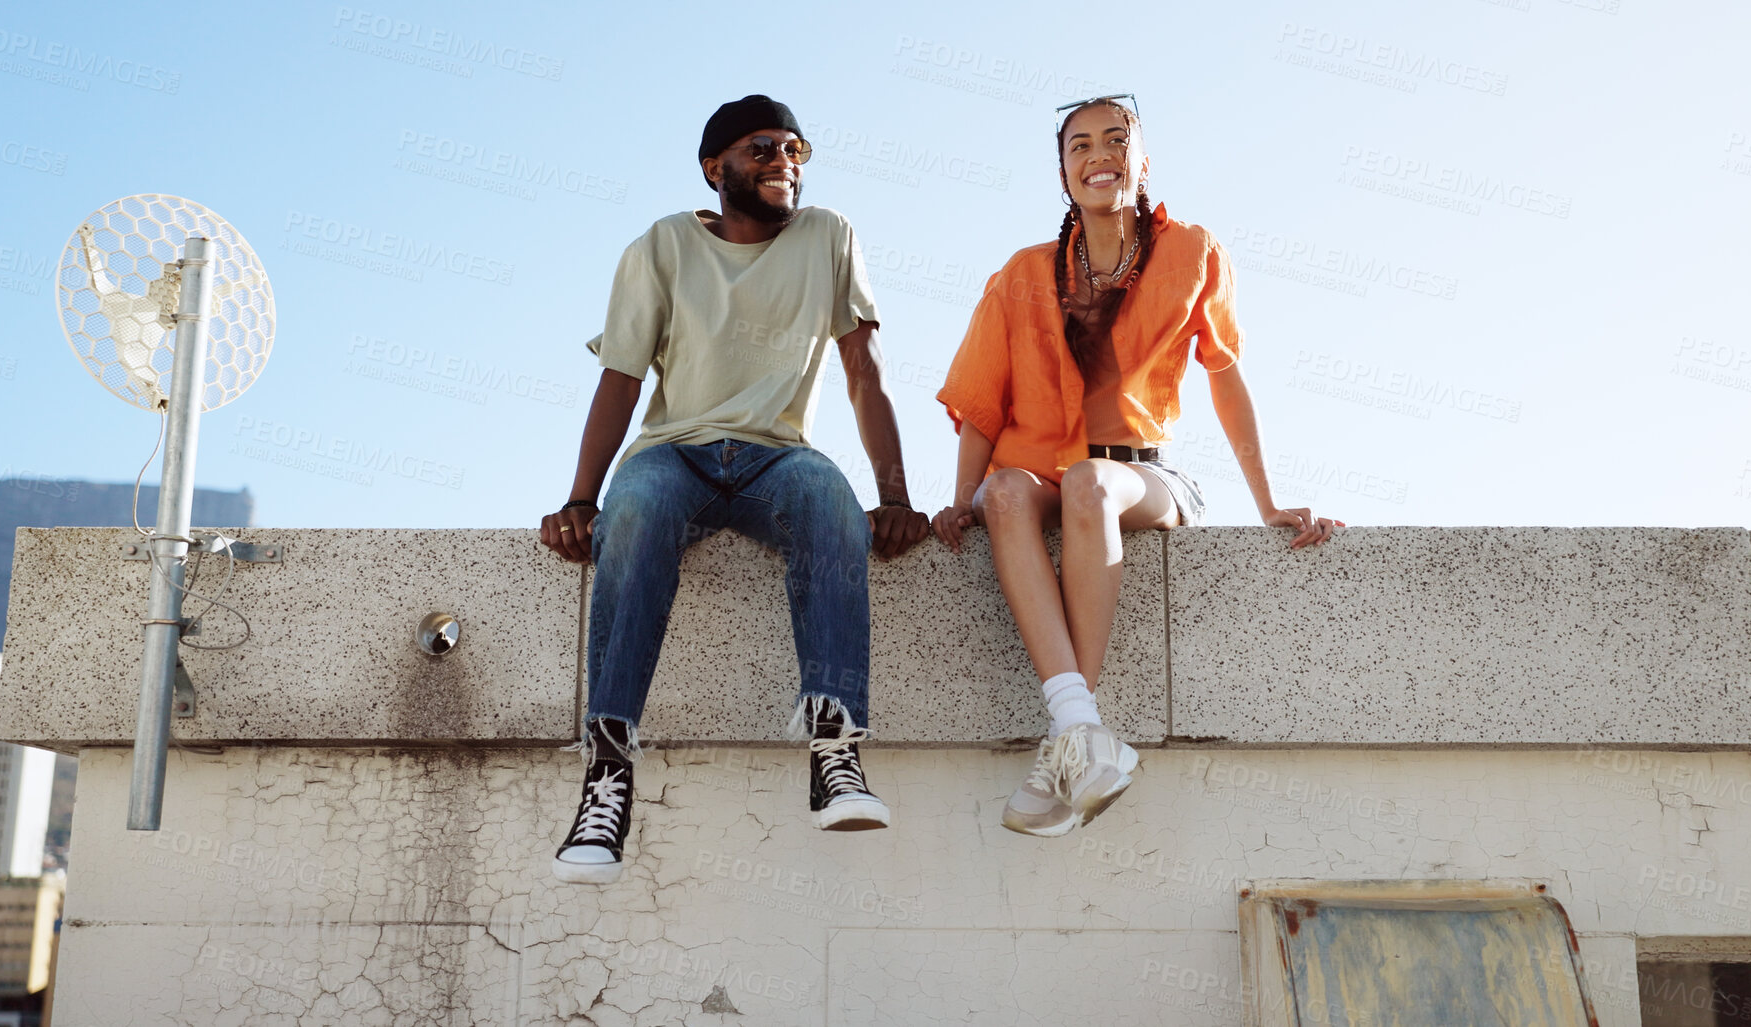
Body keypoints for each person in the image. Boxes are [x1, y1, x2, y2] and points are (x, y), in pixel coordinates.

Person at [541, 95, 931, 884]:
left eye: (795, 148)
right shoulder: (661, 245)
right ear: (714, 167)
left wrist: (893, 496)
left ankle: (834, 748)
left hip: (774, 458)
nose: (783, 162)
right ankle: (606, 776)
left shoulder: (828, 235)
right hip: (674, 453)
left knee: (827, 496)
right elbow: (618, 380)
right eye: (761, 149)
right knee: (637, 507)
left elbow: (865, 373)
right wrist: (582, 500)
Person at [932, 95, 1339, 838]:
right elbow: (981, 407)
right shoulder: (1021, 273)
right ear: (1062, 172)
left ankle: (1069, 733)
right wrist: (961, 499)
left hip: (1139, 476)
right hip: (1037, 473)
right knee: (1003, 494)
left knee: (1089, 482)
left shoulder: (1192, 251)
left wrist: (1270, 503)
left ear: (1142, 160)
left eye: (1116, 140)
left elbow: (1224, 374)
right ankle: (1079, 731)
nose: (1099, 155)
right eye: (1079, 145)